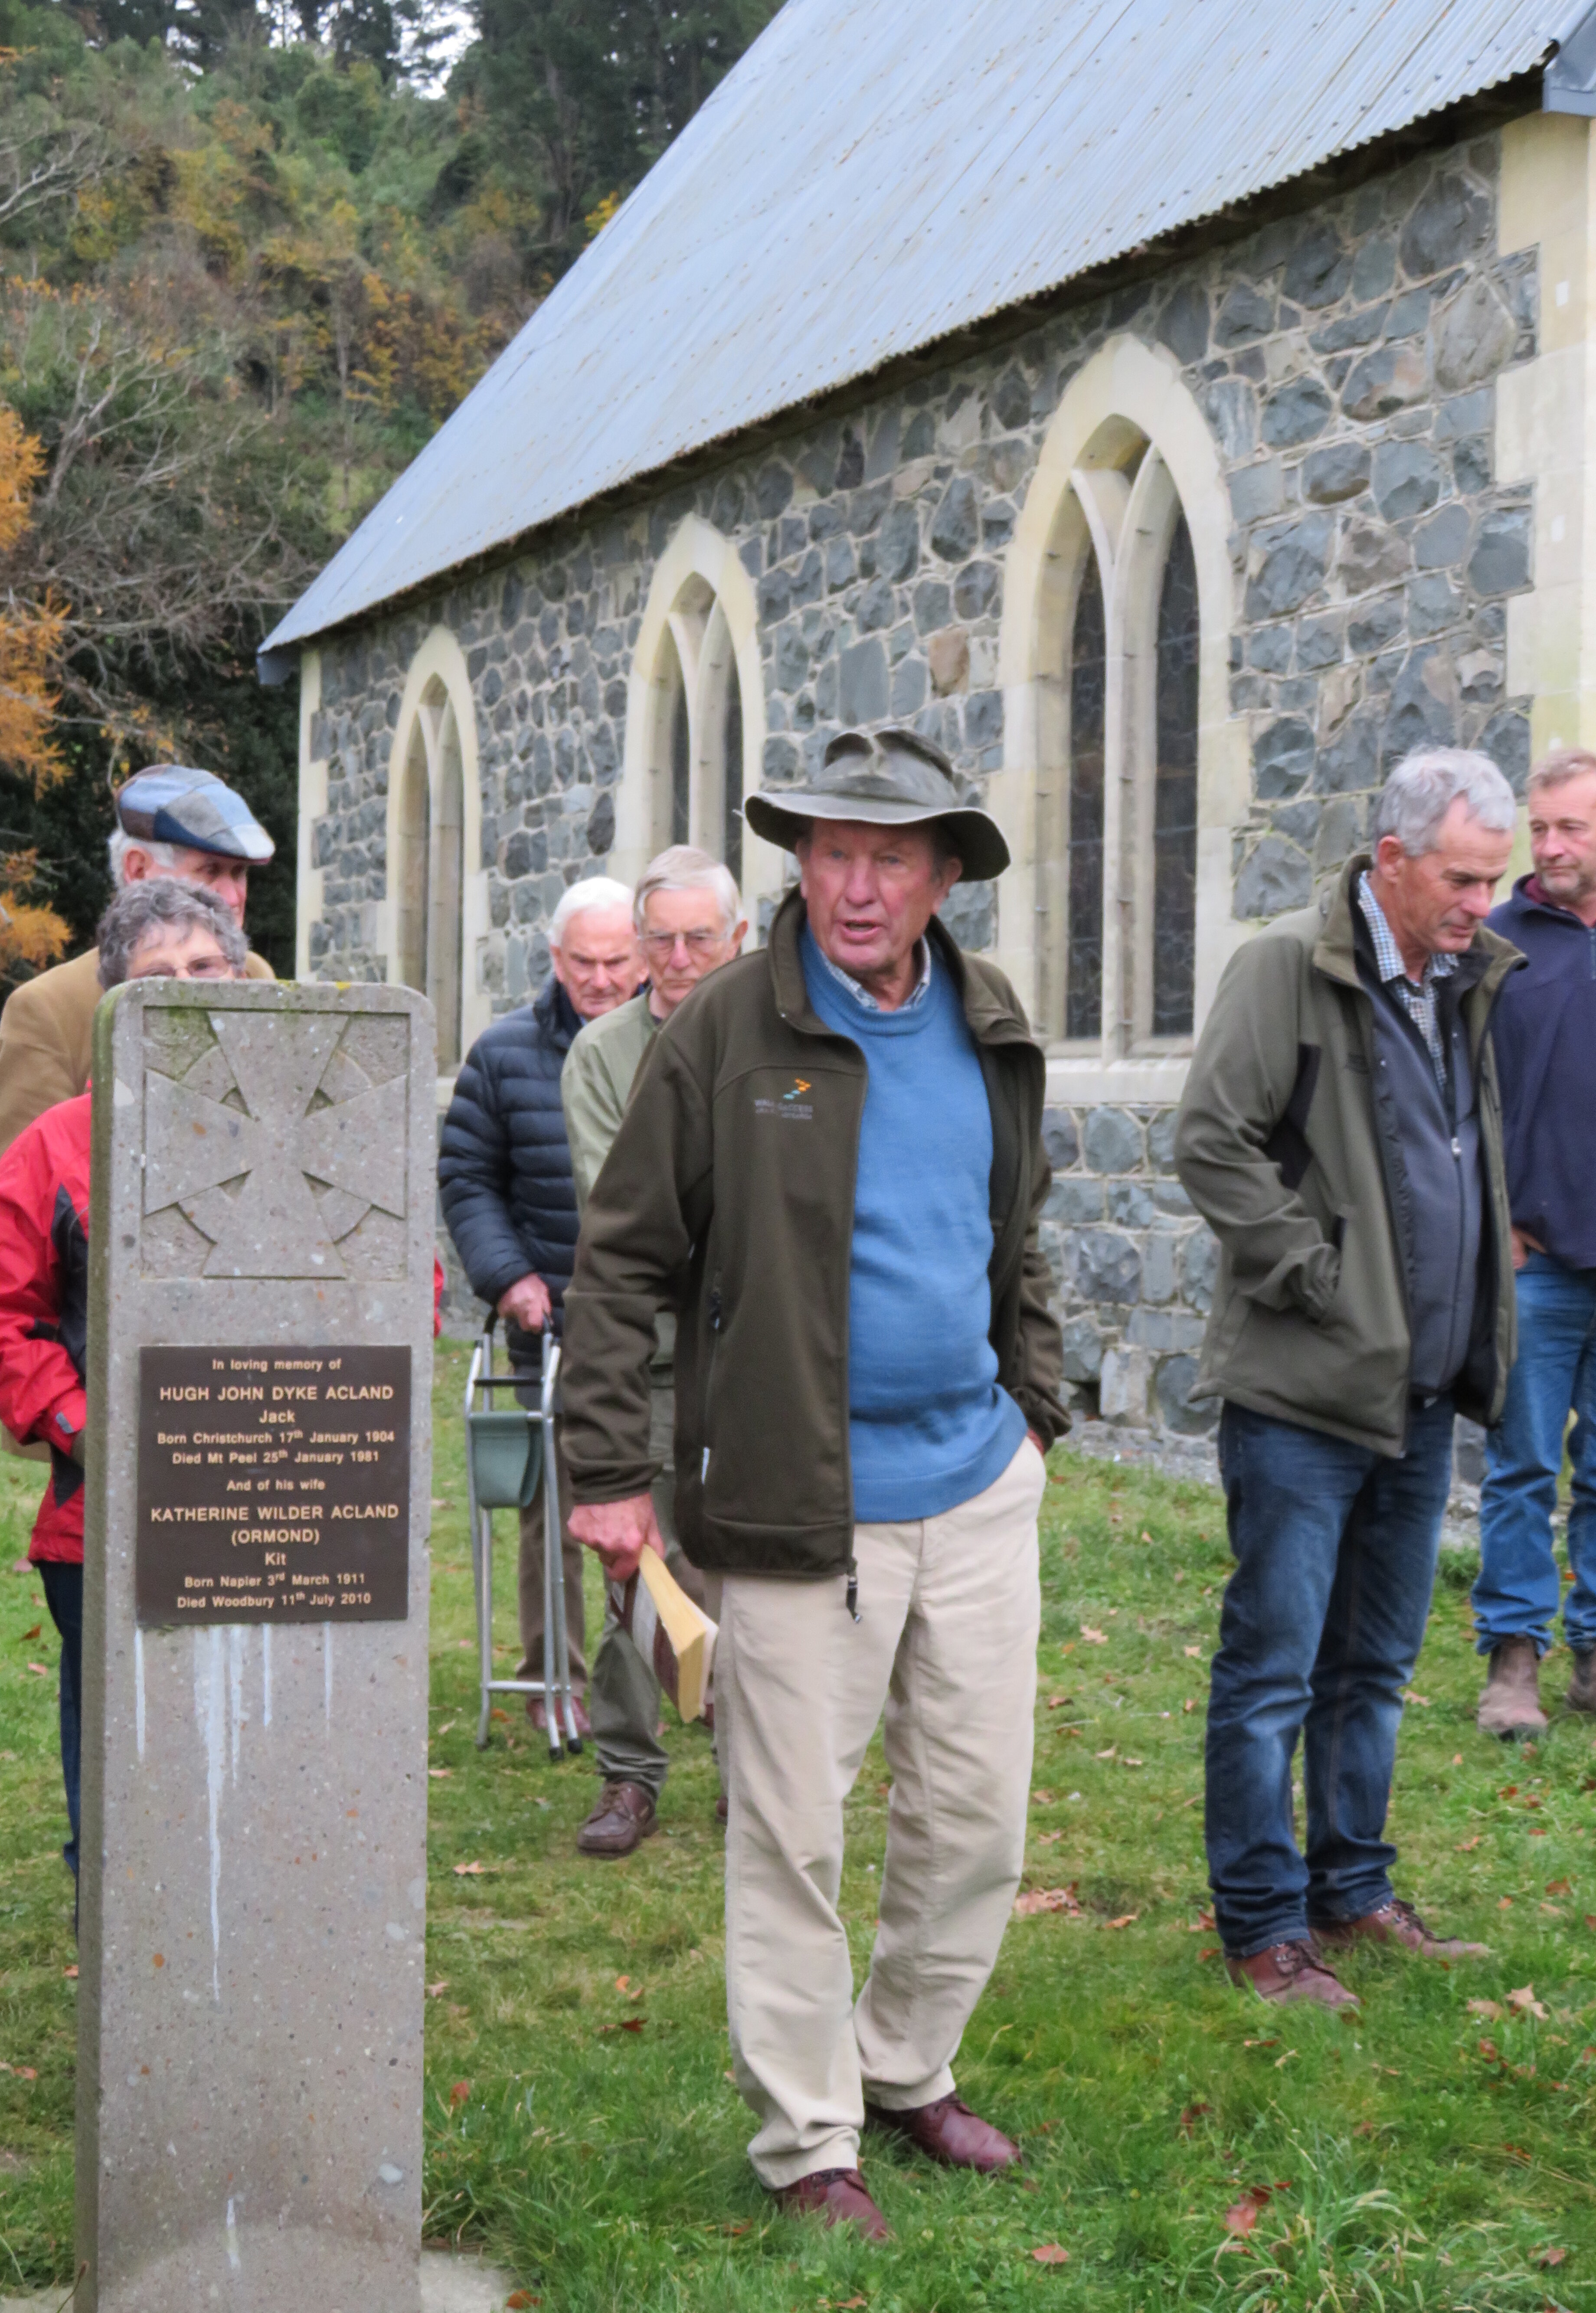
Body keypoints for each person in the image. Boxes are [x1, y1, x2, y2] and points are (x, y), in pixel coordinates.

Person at [563, 727, 1066, 2240]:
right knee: (791, 1835)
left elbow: (1015, 1232)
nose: (856, 884)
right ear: (802, 863)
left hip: (975, 1484)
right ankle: (808, 2138)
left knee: (975, 1820)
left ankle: (908, 2065)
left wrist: (1036, 1406)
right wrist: (604, 1467)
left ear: (939, 875)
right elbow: (624, 1252)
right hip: (793, 1501)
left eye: (890, 856)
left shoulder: (989, 1018)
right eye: (833, 852)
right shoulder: (725, 1026)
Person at [1175, 748, 1520, 2011]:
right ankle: (1262, 1923)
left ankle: (1352, 1888)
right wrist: (1317, 1278)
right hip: (1300, 1397)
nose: (1482, 902)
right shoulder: (1285, 968)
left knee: (1371, 1668)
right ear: (1389, 860)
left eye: (1493, 878)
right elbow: (1212, 1142)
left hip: (1418, 1401)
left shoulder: (1463, 980)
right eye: (1461, 877)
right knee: (1271, 1668)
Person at [0, 882, 249, 1894]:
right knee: (121, 1721)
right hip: (108, 1509)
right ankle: (115, 1899)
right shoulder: (58, 1144)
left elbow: (395, 1286)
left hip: (289, 1506)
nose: (187, 988)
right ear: (116, 995)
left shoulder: (314, 1132)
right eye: (158, 973)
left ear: (242, 976)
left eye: (206, 966)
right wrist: (90, 1426)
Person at [561, 845, 747, 1857]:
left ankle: (748, 1772)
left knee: (751, 1576)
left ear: (737, 939)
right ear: (637, 946)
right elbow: (621, 1215)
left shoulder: (772, 1040)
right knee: (639, 1577)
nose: (679, 958)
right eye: (661, 939)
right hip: (651, 1360)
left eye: (698, 938)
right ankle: (629, 1773)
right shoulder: (601, 1055)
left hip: (759, 1361)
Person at [439, 875, 641, 1730]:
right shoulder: (503, 1051)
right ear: (555, 959)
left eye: (614, 961)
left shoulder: (676, 1043)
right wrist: (506, 1275)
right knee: (550, 1516)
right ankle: (553, 1677)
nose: (598, 980)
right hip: (551, 1323)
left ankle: (663, 1682)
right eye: (582, 962)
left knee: (654, 1520)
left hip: (651, 1331)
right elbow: (466, 1177)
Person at [0, 764, 275, 1181]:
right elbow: (14, 1213)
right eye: (210, 871)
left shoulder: (256, 976)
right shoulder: (48, 1009)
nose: (232, 896)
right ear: (137, 871)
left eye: (239, 873)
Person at [1473, 749, 1596, 1734]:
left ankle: (1593, 1654)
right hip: (1537, 1261)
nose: (1549, 847)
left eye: (1572, 828)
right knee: (1520, 1467)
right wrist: (1493, 1209)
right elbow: (1454, 1097)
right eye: (1541, 825)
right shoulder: (1496, 942)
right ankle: (1513, 1655)